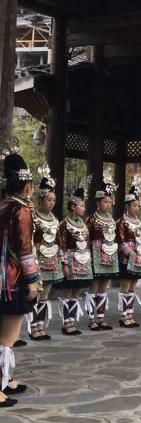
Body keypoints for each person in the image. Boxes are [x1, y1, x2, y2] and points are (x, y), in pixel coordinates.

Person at [0, 152, 39, 407]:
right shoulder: (21, 210)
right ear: (28, 187)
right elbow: (24, 248)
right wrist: (33, 281)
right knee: (8, 336)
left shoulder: (3, 205)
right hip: (11, 279)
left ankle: (7, 378)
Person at [30, 164, 62, 341]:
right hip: (37, 257)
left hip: (52, 258)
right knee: (36, 293)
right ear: (41, 199)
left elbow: (57, 240)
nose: (52, 203)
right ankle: (32, 327)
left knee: (45, 294)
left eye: (54, 200)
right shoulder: (33, 216)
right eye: (49, 199)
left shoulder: (55, 220)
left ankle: (41, 326)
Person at [58, 178, 94, 335]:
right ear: (73, 207)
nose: (83, 208)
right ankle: (66, 323)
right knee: (68, 292)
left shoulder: (83, 223)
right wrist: (64, 264)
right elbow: (61, 245)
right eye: (81, 205)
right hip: (70, 260)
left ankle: (72, 322)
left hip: (82, 261)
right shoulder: (64, 224)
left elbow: (86, 242)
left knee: (77, 292)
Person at [86, 170, 119, 331]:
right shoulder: (91, 220)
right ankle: (91, 318)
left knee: (104, 287)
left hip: (109, 253)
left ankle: (100, 317)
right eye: (105, 202)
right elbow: (86, 239)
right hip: (96, 253)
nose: (108, 204)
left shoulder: (112, 220)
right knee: (94, 285)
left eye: (110, 202)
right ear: (98, 203)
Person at [116, 174, 141, 328]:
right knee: (125, 286)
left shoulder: (139, 222)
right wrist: (130, 253)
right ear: (127, 206)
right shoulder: (121, 222)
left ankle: (130, 314)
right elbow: (120, 240)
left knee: (132, 287)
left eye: (138, 205)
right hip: (126, 257)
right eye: (134, 205)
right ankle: (123, 316)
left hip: (138, 257)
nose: (136, 208)